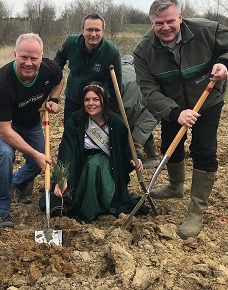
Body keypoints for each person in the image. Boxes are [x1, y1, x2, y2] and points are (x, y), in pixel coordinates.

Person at [133, 0, 228, 239]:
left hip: (208, 99)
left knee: (203, 150)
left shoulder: (206, 30)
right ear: (151, 23)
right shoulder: (143, 51)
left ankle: (196, 210)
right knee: (170, 147)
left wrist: (227, 64)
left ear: (180, 17)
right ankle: (175, 187)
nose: (165, 27)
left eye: (170, 21)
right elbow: (148, 90)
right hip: (173, 104)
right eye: (158, 23)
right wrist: (175, 113)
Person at [0, 33, 64, 229]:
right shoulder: (1, 83)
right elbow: (5, 132)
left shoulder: (50, 69)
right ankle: (0, 210)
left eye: (34, 58)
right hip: (3, 122)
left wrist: (53, 99)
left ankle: (16, 185)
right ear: (15, 55)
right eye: (23, 57)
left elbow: (60, 79)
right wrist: (35, 154)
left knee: (40, 160)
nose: (29, 63)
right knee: (6, 154)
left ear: (41, 57)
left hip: (29, 119)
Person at [41, 81, 149, 223]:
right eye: (87, 99)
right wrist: (63, 178)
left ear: (103, 101)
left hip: (107, 166)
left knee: (95, 164)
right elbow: (67, 151)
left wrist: (132, 160)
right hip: (79, 164)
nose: (91, 103)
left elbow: (125, 151)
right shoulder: (75, 120)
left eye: (95, 99)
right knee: (57, 200)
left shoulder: (116, 123)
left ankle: (96, 207)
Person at [54, 13, 122, 123]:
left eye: (97, 30)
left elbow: (116, 88)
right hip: (73, 97)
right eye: (89, 30)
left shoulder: (112, 52)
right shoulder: (71, 43)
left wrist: (112, 114)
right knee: (71, 131)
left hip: (97, 102)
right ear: (83, 30)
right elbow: (58, 61)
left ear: (103, 32)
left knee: (93, 135)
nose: (93, 34)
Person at [120, 54, 160, 169]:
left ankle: (153, 157)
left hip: (155, 102)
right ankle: (135, 149)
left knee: (141, 125)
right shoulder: (120, 68)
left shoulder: (126, 81)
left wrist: (131, 144)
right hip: (140, 99)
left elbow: (128, 115)